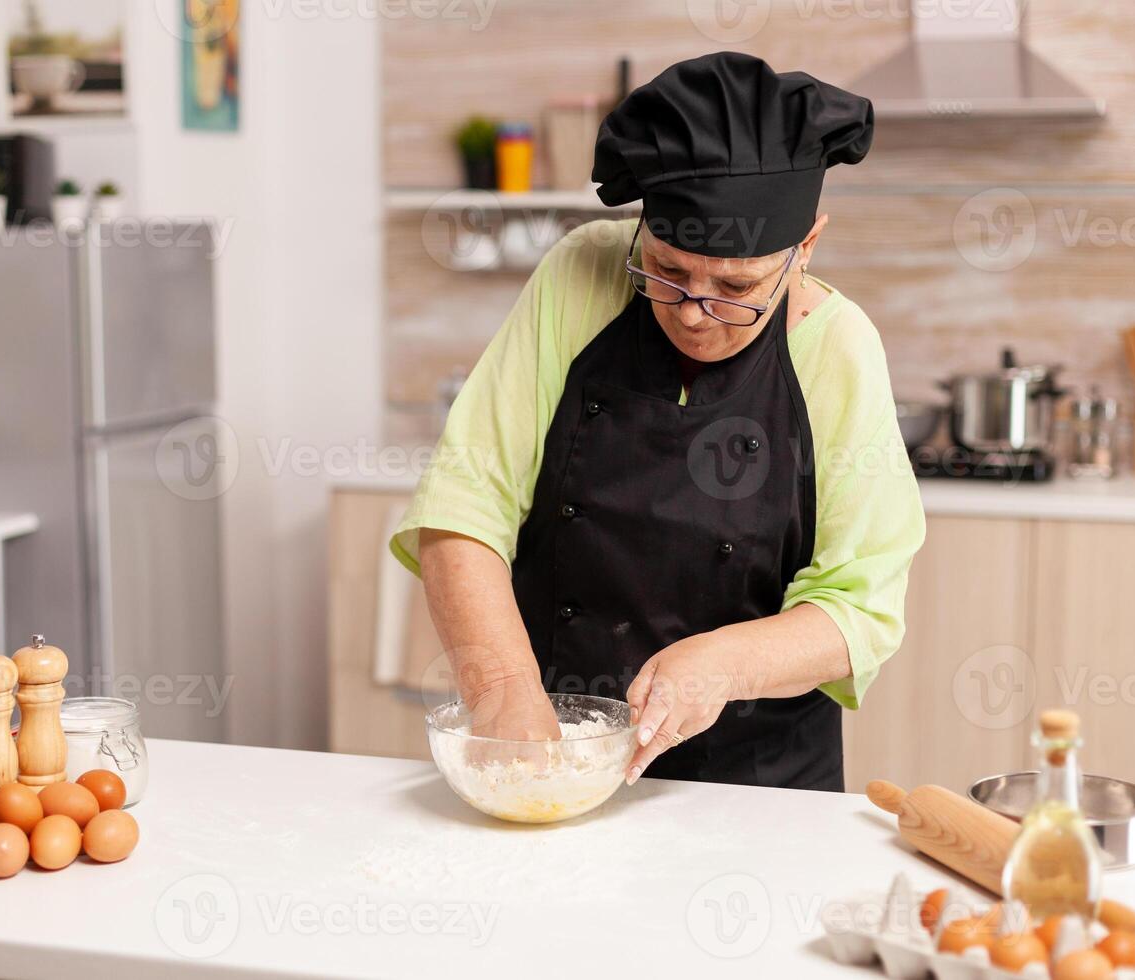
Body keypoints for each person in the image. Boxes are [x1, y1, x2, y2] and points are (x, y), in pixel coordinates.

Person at [390, 51, 925, 791]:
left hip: (762, 788)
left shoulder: (837, 345)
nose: (695, 314)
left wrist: (721, 662)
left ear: (805, 248)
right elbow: (463, 508)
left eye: (735, 288)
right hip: (555, 751)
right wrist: (507, 697)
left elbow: (860, 608)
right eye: (667, 273)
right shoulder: (580, 274)